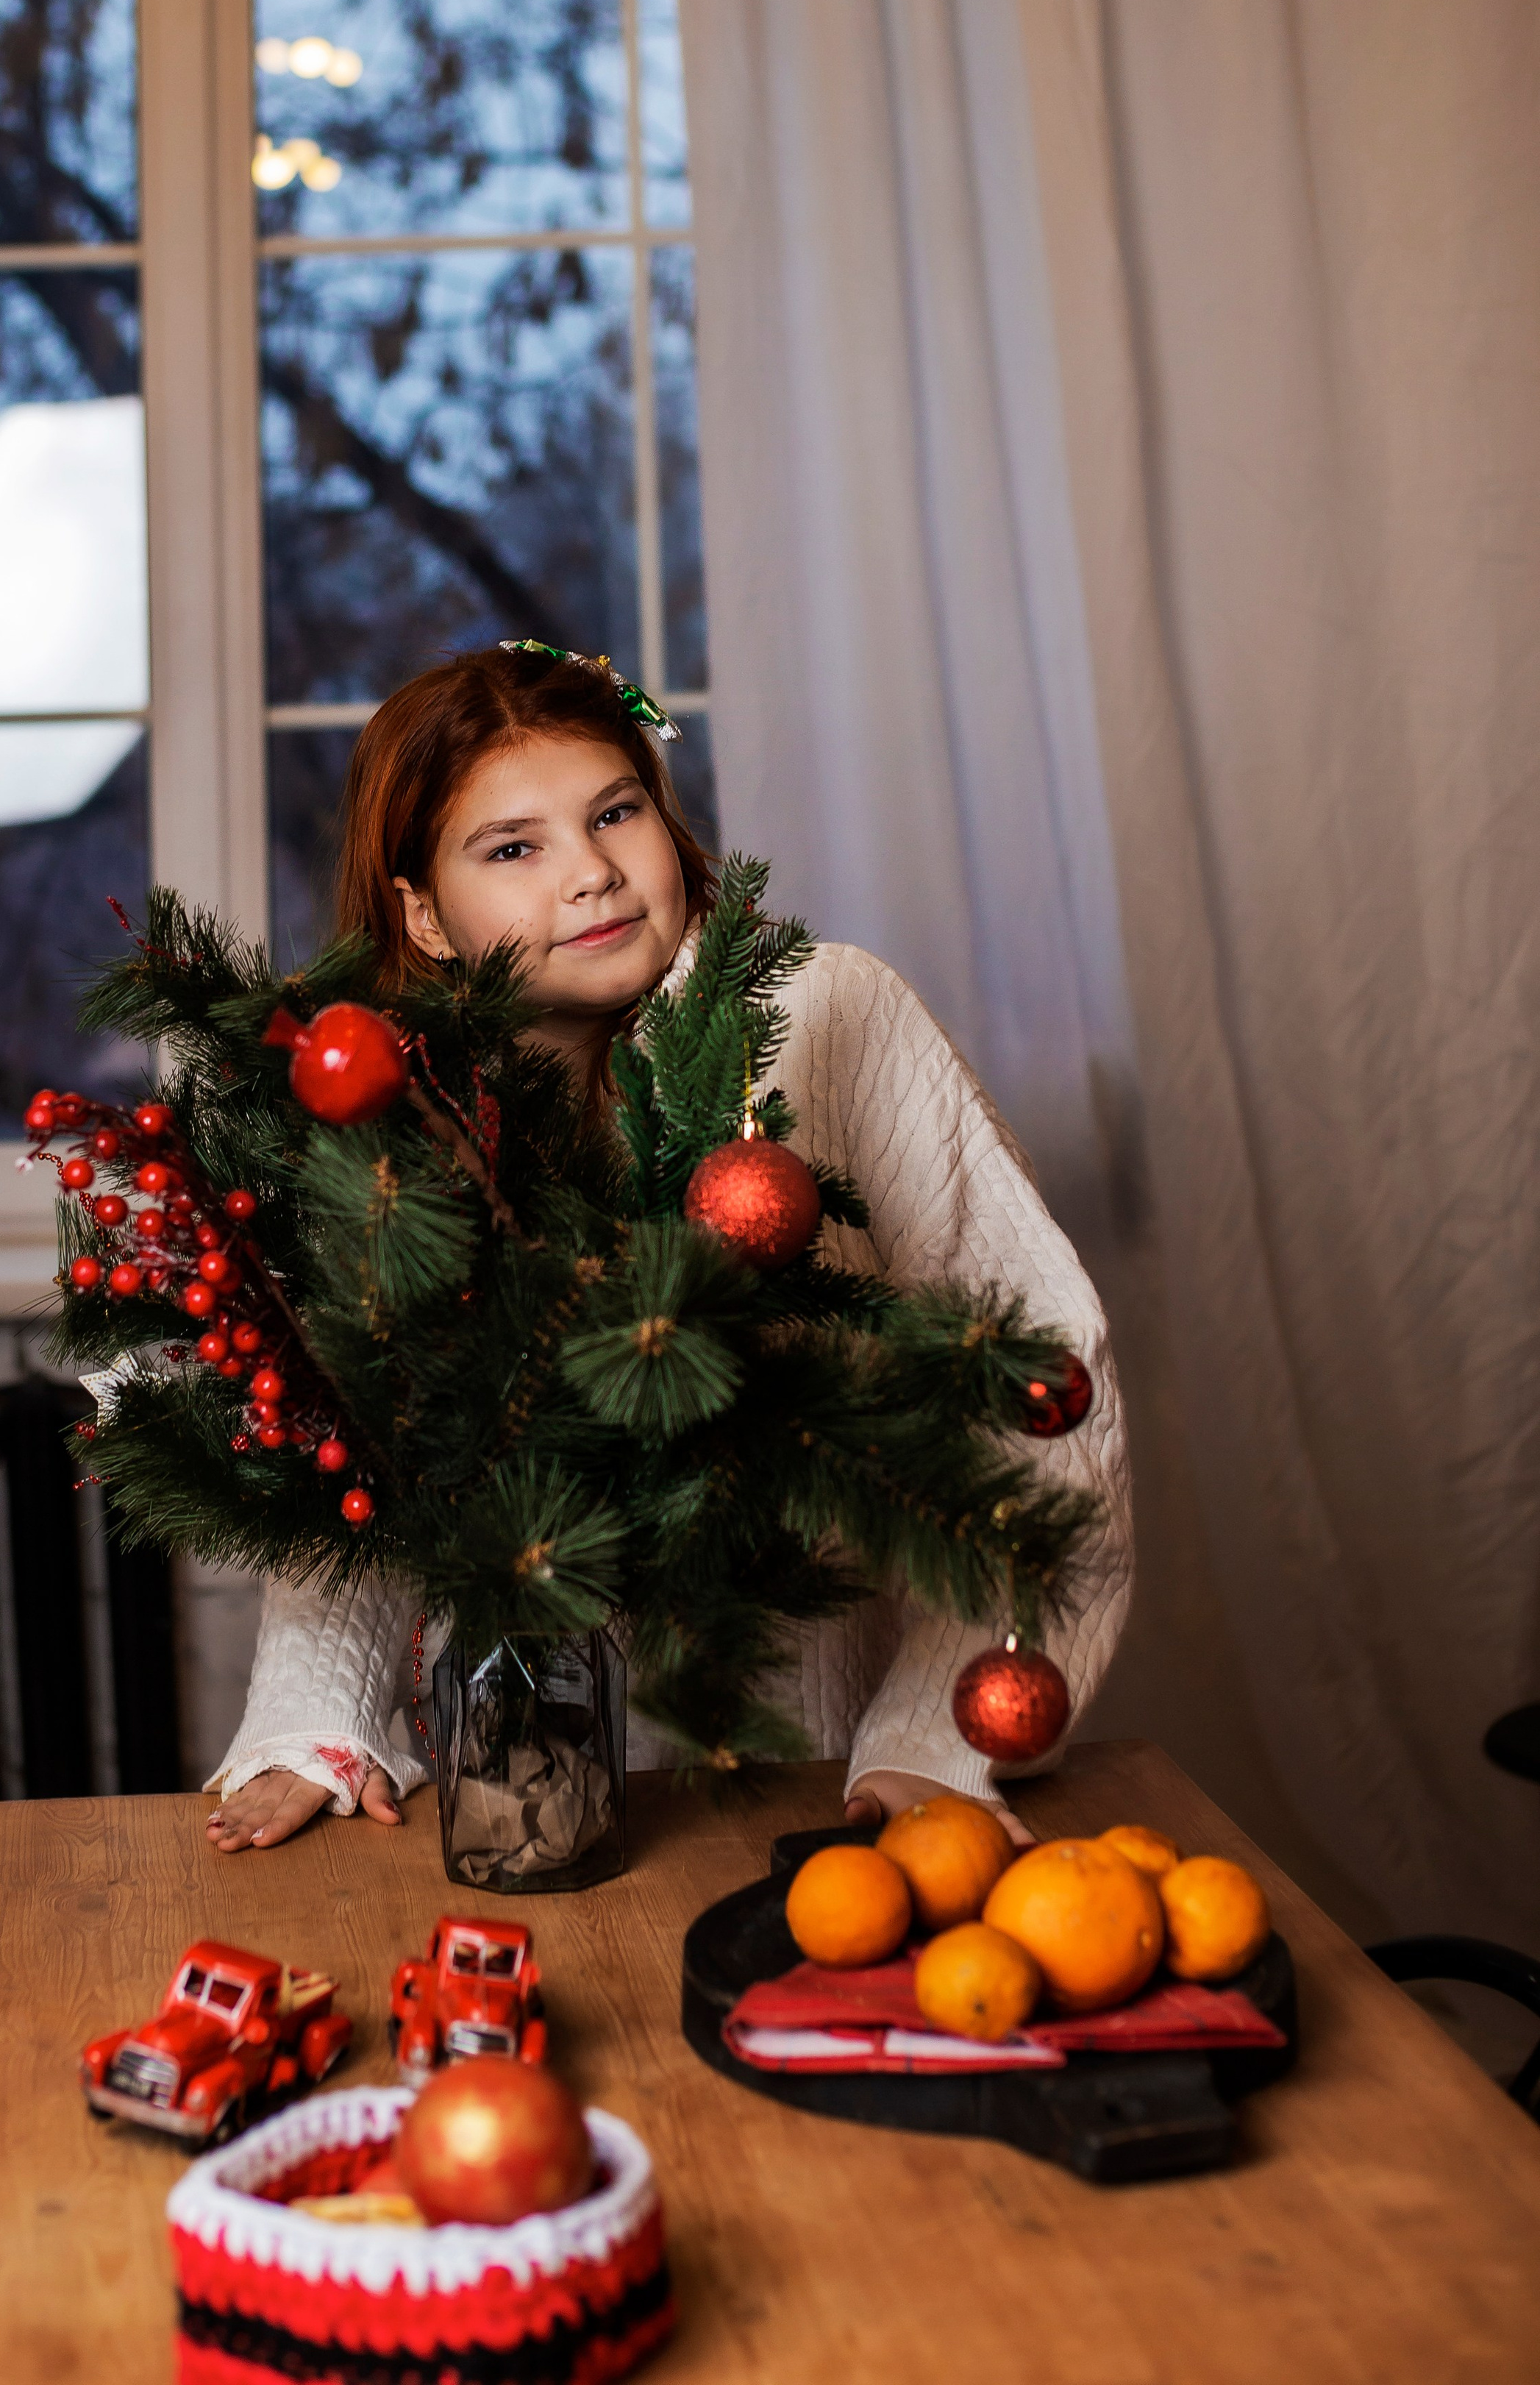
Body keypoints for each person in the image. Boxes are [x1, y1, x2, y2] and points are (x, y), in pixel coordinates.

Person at [204, 642, 1130, 1852]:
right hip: (507, 1796)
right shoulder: (393, 1120)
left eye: (615, 812)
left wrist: (936, 1741)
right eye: (514, 848)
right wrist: (314, 1716)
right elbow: (358, 1454)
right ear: (423, 915)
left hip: (809, 1776)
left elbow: (1037, 1379)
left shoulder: (825, 1018)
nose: (591, 874)